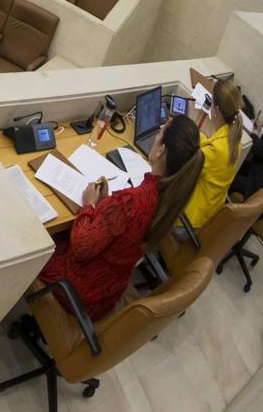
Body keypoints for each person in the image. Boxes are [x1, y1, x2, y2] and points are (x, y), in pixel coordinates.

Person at [36, 116, 203, 322]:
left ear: (160, 151)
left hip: (79, 291)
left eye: (159, 134)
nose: (156, 136)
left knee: (35, 240)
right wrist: (106, 205)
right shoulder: (169, 200)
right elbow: (125, 231)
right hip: (106, 292)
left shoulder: (132, 201)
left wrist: (90, 204)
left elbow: (81, 246)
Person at [183, 79, 246, 229]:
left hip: (189, 221)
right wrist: (196, 136)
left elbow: (182, 169)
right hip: (209, 215)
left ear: (216, 110)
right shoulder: (235, 140)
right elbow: (212, 147)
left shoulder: (214, 150)